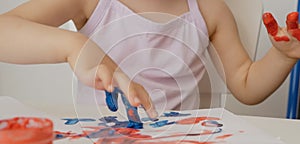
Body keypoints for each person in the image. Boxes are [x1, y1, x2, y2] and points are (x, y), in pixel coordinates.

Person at [0, 0, 299, 120]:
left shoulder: (209, 9)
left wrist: (281, 56)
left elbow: (246, 83)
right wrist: (74, 46)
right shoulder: (91, 1)